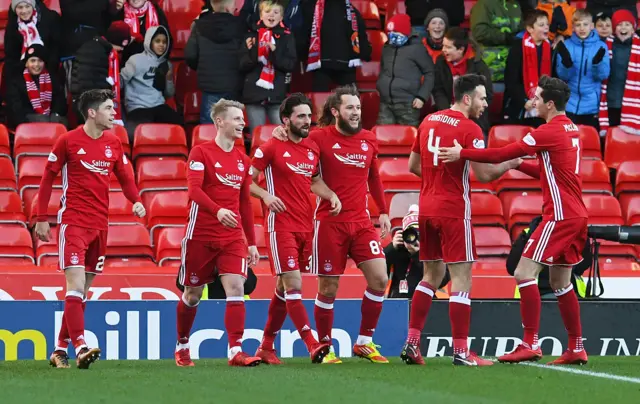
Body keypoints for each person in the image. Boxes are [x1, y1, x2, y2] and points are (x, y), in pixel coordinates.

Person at [439, 75, 589, 365]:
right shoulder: (571, 129)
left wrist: (462, 153)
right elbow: (553, 174)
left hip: (559, 216)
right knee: (561, 281)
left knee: (523, 273)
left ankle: (530, 343)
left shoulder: (547, 131)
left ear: (549, 103)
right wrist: (521, 166)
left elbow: (499, 154)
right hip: (576, 214)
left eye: (536, 97)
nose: (531, 101)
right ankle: (576, 346)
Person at [401, 74, 520, 367]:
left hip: (426, 207)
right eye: (482, 98)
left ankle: (413, 343)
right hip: (453, 210)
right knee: (462, 279)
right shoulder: (470, 129)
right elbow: (485, 174)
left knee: (430, 276)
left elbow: (413, 166)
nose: (484, 104)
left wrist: (435, 180)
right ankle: (461, 351)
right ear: (466, 98)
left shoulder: (428, 120)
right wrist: (511, 163)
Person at [272, 85, 391, 364]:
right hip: (329, 223)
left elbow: (374, 177)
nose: (356, 112)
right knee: (328, 289)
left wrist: (383, 211)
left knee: (380, 279)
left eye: (358, 108)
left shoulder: (369, 140)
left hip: (361, 222)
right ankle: (325, 346)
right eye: (350, 107)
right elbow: (299, 156)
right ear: (336, 111)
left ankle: (364, 342)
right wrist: (279, 133)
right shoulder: (318, 138)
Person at [35, 89, 145, 369]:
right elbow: (47, 178)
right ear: (93, 113)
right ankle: (81, 345)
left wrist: (136, 201)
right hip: (74, 222)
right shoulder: (68, 141)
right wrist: (41, 216)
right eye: (109, 108)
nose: (114, 114)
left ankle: (59, 349)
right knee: (74, 286)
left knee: (81, 291)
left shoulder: (113, 143)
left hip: (100, 225)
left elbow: (125, 175)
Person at [250, 93, 340, 364]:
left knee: (282, 287)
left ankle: (266, 346)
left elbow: (313, 180)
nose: (307, 120)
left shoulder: (312, 148)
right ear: (286, 120)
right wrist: (265, 196)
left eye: (308, 115)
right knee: (294, 285)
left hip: (305, 226)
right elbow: (246, 181)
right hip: (281, 226)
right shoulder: (269, 147)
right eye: (300, 116)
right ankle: (312, 343)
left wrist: (331, 195)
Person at [174, 99, 261, 368]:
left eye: (243, 119)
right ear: (220, 122)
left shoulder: (243, 160)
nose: (242, 123)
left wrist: (251, 241)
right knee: (192, 294)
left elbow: (245, 202)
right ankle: (183, 344)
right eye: (236, 119)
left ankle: (236, 350)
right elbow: (194, 191)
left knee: (235, 288)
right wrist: (217, 210)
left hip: (232, 237)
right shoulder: (200, 153)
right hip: (200, 234)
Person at [240, 0, 297, 137]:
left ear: (281, 17)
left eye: (276, 12)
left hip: (276, 95)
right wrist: (253, 50)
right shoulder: (250, 35)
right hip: (254, 94)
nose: (271, 15)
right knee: (258, 136)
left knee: (282, 136)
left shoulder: (287, 37)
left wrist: (274, 52)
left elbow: (289, 65)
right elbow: (242, 65)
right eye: (267, 12)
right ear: (261, 15)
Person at [185, 0, 245, 124]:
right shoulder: (241, 26)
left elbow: (190, 55)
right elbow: (245, 57)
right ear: (229, 8)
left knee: (208, 129)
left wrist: (203, 68)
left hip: (209, 86)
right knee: (232, 127)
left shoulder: (199, 26)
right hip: (233, 84)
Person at [120, 25, 182, 141]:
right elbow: (121, 82)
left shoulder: (166, 64)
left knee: (179, 127)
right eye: (157, 41)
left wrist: (168, 79)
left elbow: (169, 94)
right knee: (133, 135)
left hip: (158, 105)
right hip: (138, 107)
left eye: (164, 42)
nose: (161, 45)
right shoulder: (135, 60)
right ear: (149, 42)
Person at [298, 0, 372, 91]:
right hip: (346, 64)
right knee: (350, 100)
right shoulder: (352, 11)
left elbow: (304, 34)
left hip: (322, 64)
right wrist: (366, 54)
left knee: (319, 101)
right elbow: (361, 40)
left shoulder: (312, 7)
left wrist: (301, 55)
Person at [376, 13, 434, 127]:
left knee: (409, 138)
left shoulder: (417, 49)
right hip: (386, 103)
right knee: (383, 136)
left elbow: (430, 73)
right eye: (390, 33)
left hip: (408, 104)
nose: (392, 36)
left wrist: (422, 97)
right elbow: (383, 69)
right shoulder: (387, 47)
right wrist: (380, 85)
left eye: (396, 33)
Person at [555, 9, 609, 130]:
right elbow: (563, 76)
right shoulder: (566, 45)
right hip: (569, 104)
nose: (582, 28)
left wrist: (597, 64)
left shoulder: (601, 46)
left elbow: (603, 75)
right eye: (578, 25)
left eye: (585, 24)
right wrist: (566, 64)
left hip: (591, 104)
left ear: (592, 26)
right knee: (569, 141)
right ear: (573, 27)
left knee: (589, 140)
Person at [70, 21, 133, 125]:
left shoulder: (100, 49)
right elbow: (88, 86)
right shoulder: (94, 52)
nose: (120, 51)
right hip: (88, 107)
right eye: (120, 48)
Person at [433, 28, 493, 136]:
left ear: (460, 49)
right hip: (447, 117)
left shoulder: (479, 66)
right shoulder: (440, 62)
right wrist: (448, 111)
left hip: (474, 119)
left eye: (448, 47)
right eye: (443, 46)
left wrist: (466, 110)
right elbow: (438, 90)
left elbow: (487, 94)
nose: (443, 50)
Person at [384, 204, 450, 299]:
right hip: (398, 303)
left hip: (427, 302)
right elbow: (379, 273)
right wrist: (391, 248)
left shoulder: (434, 251)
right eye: (410, 233)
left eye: (419, 234)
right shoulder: (397, 250)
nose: (414, 238)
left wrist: (419, 255)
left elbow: (442, 281)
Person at [503, 9, 551, 127]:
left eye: (547, 24)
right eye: (541, 25)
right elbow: (511, 80)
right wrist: (524, 101)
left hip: (542, 108)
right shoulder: (517, 48)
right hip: (519, 107)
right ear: (530, 29)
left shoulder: (551, 48)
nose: (546, 28)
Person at [598, 9, 640, 136]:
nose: (623, 28)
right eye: (620, 24)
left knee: (628, 140)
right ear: (614, 29)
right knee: (610, 137)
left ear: (633, 29)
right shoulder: (605, 45)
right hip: (611, 99)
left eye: (627, 25)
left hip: (632, 101)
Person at [6, 44, 67, 128]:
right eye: (33, 61)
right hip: (25, 119)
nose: (36, 65)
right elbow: (15, 108)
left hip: (49, 118)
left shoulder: (52, 78)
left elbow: (60, 101)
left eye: (40, 61)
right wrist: (36, 118)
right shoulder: (16, 80)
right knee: (44, 121)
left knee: (60, 122)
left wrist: (55, 114)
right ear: (26, 63)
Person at [3, 0, 61, 78]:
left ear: (33, 6)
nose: (24, 11)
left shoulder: (50, 19)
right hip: (22, 71)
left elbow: (55, 48)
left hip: (48, 69)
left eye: (27, 6)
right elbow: (11, 55)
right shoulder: (13, 26)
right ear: (15, 9)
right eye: (20, 7)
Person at [470, 0, 522, 82]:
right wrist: (505, 37)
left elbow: (521, 29)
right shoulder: (483, 4)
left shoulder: (515, 5)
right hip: (492, 69)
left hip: (514, 67)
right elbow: (479, 32)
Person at [113, 0, 171, 65]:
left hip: (153, 64)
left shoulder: (157, 12)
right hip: (127, 65)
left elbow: (167, 39)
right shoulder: (120, 11)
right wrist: (115, 11)